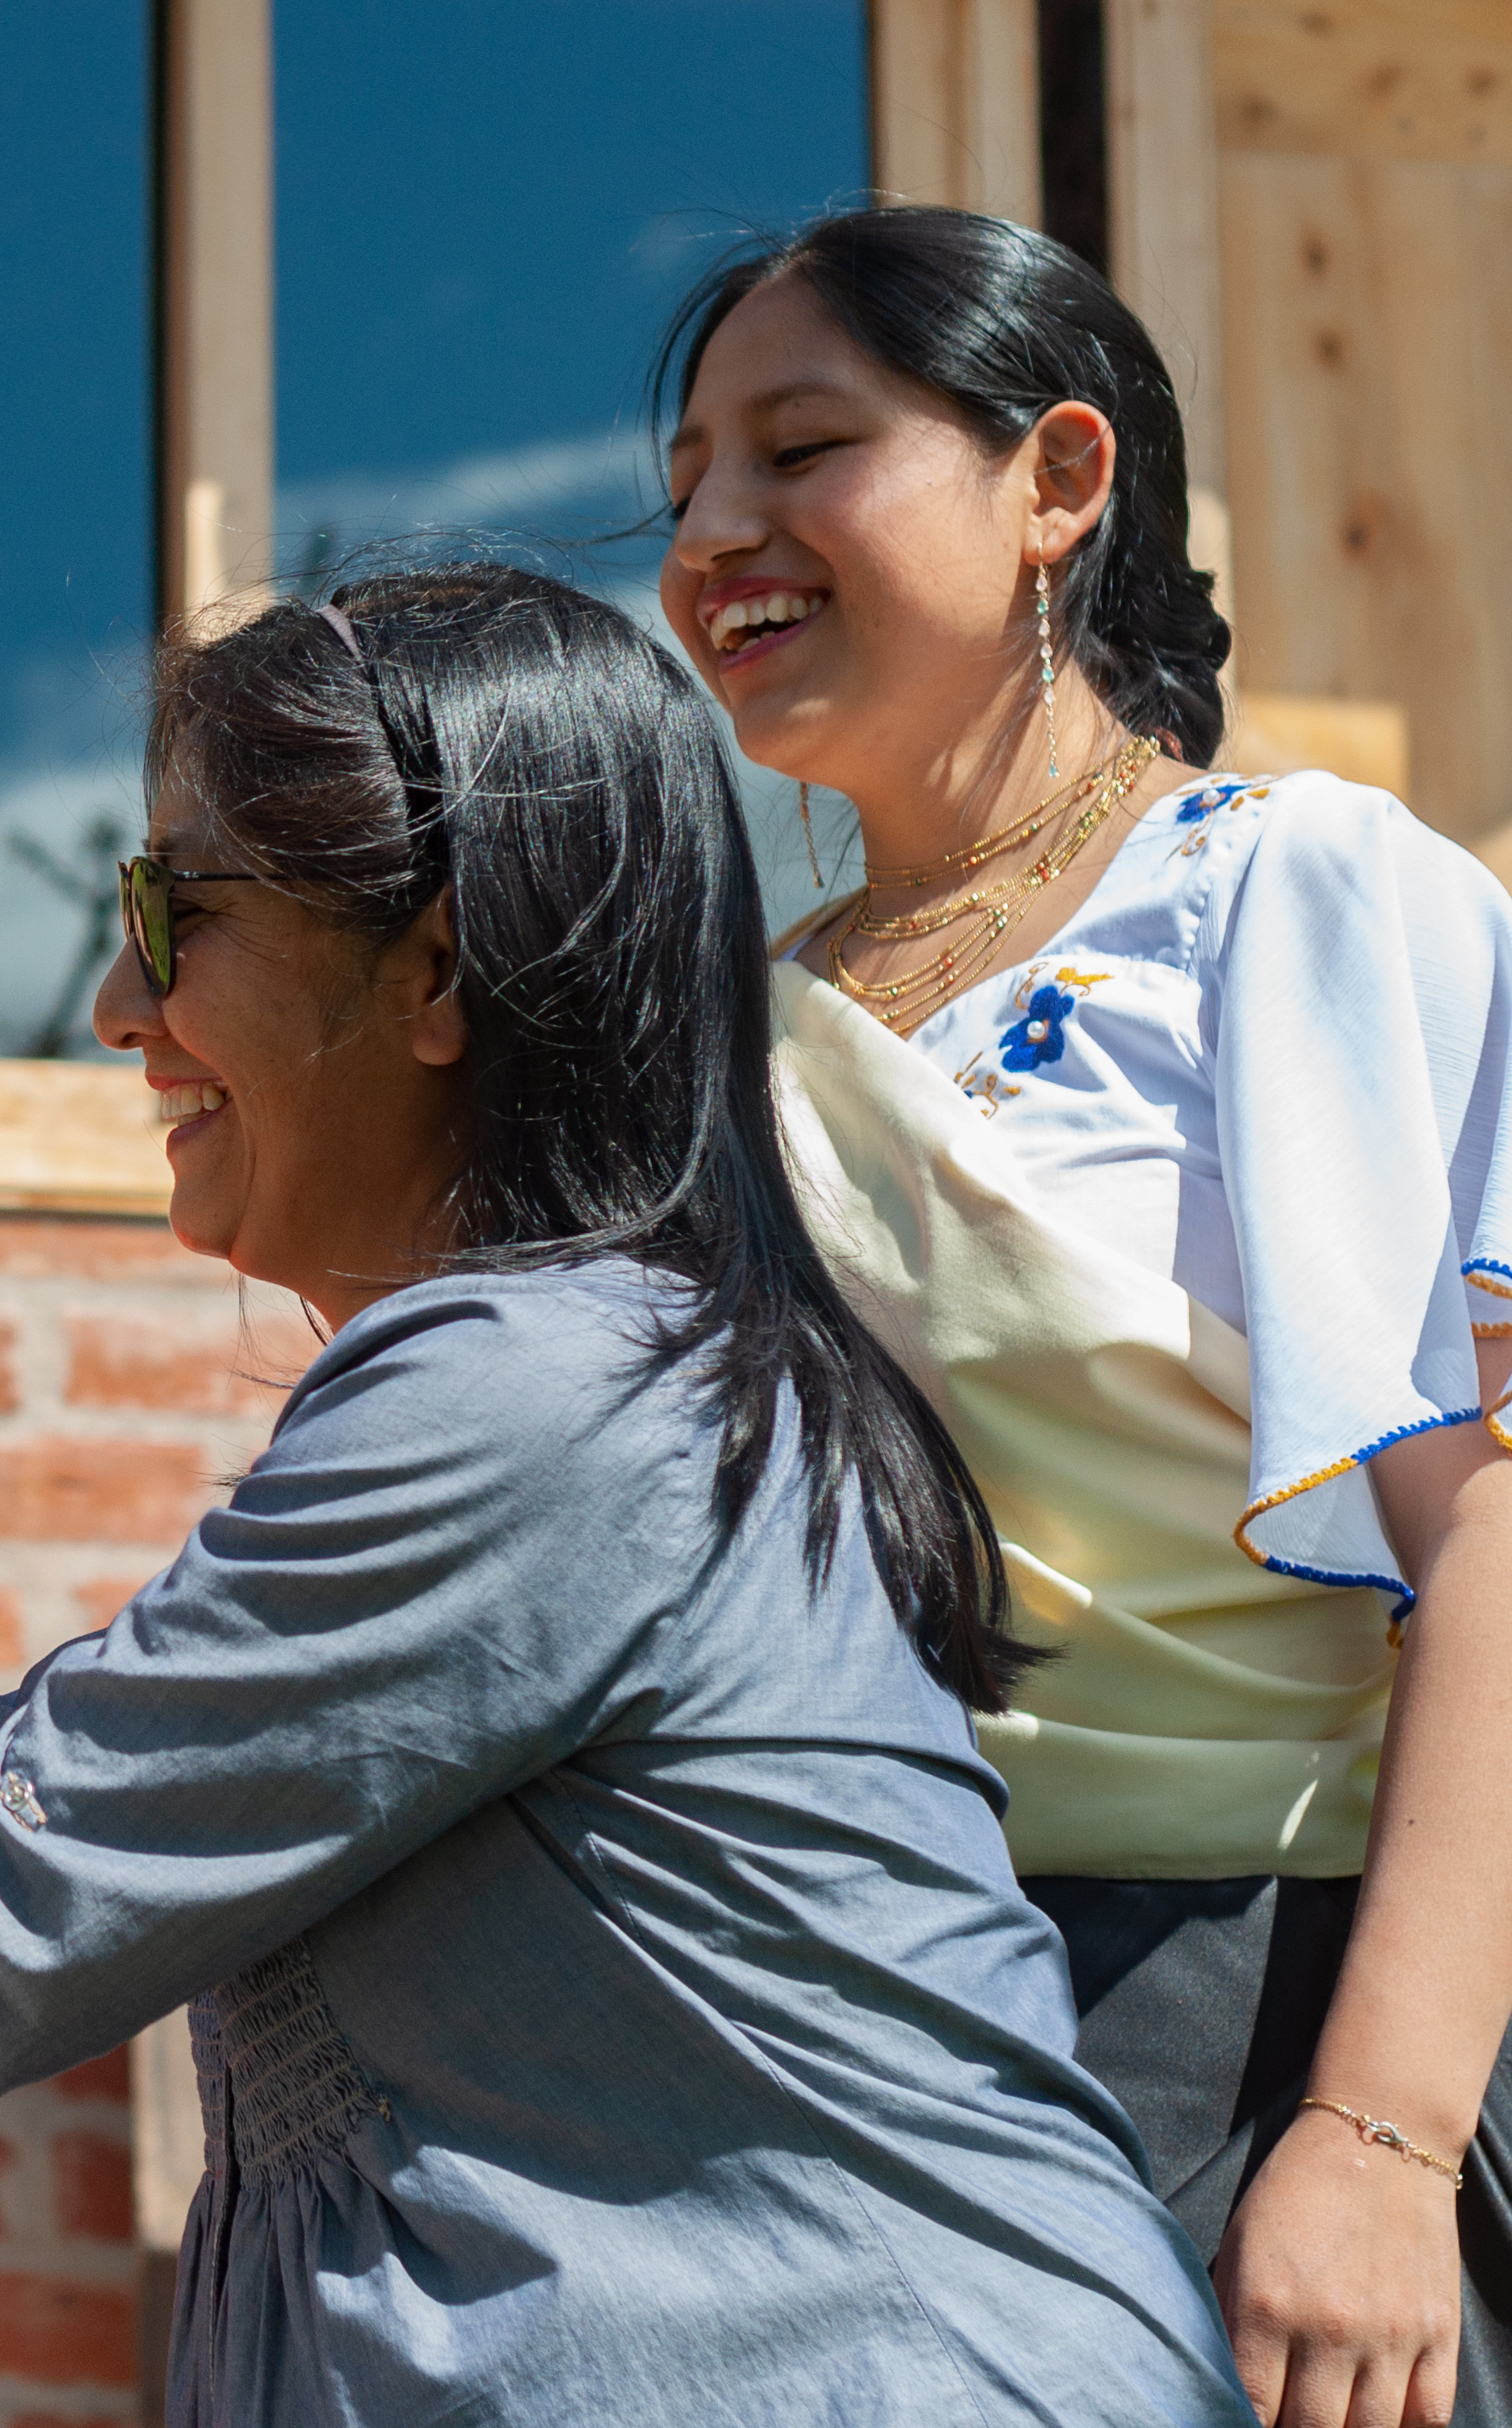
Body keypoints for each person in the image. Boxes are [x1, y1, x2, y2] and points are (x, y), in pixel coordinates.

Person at [0, 566, 1258, 2425]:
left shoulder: (536, 1399)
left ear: (430, 966)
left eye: (176, 918)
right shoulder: (575, 1382)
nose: (107, 1002)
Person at [657, 204, 1512, 2428]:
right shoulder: (724, 1051)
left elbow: (1495, 1539)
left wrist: (1384, 2132)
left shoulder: (1297, 892)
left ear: (1058, 478)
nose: (716, 534)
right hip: (832, 2061)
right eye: (682, 492)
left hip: (1231, 2031)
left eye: (798, 449)